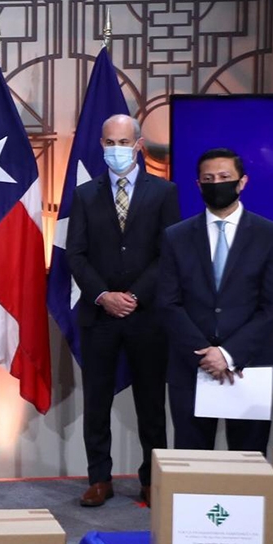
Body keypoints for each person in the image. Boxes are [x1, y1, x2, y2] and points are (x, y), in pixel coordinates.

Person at [66, 114, 180, 507]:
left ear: (138, 145)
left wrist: (133, 295)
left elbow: (169, 252)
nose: (116, 149)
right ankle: (100, 478)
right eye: (109, 142)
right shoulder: (84, 195)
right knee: (96, 402)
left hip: (147, 316)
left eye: (123, 142)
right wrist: (104, 295)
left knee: (150, 402)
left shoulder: (164, 193)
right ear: (101, 145)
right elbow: (76, 255)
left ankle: (152, 479)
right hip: (99, 316)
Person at [158, 148, 273, 453]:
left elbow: (271, 307)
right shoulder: (175, 236)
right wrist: (206, 355)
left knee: (247, 466)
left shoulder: (270, 235)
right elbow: (168, 302)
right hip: (191, 367)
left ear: (242, 182)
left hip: (250, 367)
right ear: (198, 185)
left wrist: (228, 355)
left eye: (224, 177)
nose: (217, 183)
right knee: (193, 465)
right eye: (209, 179)